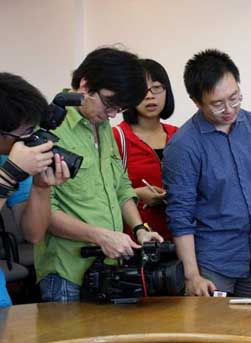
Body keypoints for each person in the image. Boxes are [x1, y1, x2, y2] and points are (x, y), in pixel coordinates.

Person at [162, 49, 251, 298]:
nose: (229, 109)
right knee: (214, 324)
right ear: (196, 101)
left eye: (234, 98)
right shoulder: (184, 146)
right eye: (217, 104)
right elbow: (180, 214)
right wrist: (192, 275)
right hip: (212, 265)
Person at [34, 47, 164, 303]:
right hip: (66, 273)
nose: (112, 114)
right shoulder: (49, 126)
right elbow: (43, 214)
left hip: (108, 268)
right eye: (109, 104)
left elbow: (120, 186)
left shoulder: (101, 123)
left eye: (119, 108)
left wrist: (139, 229)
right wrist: (100, 236)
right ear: (85, 85)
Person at [0, 73, 71, 306]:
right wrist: (9, 174)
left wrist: (41, 186)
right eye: (25, 134)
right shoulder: (11, 166)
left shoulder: (8, 158)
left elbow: (33, 234)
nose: (29, 141)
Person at [113, 58, 177, 240]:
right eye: (142, 89)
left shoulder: (179, 136)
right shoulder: (116, 137)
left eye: (156, 88)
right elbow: (102, 194)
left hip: (180, 236)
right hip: (135, 240)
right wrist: (137, 194)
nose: (150, 96)